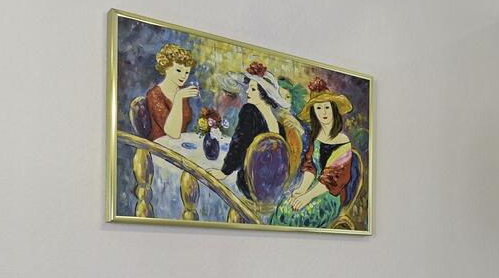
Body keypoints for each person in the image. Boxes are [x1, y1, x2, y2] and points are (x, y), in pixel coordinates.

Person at [272, 80, 355, 228]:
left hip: (331, 195)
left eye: (326, 107)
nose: (323, 112)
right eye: (318, 108)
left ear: (333, 109)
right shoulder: (316, 137)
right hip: (312, 187)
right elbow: (310, 167)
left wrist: (307, 197)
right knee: (284, 207)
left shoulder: (343, 141)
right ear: (314, 112)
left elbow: (333, 180)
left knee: (300, 215)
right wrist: (302, 189)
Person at [217, 61, 290, 196]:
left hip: (250, 183)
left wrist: (224, 171)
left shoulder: (249, 111)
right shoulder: (278, 123)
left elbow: (240, 143)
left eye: (253, 89)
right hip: (273, 186)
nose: (248, 91)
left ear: (264, 93)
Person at [143, 44, 200, 142]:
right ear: (166, 68)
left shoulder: (182, 91)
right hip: (159, 148)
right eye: (178, 70)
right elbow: (173, 133)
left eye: (187, 72)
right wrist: (178, 97)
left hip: (178, 145)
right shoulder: (154, 94)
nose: (183, 76)